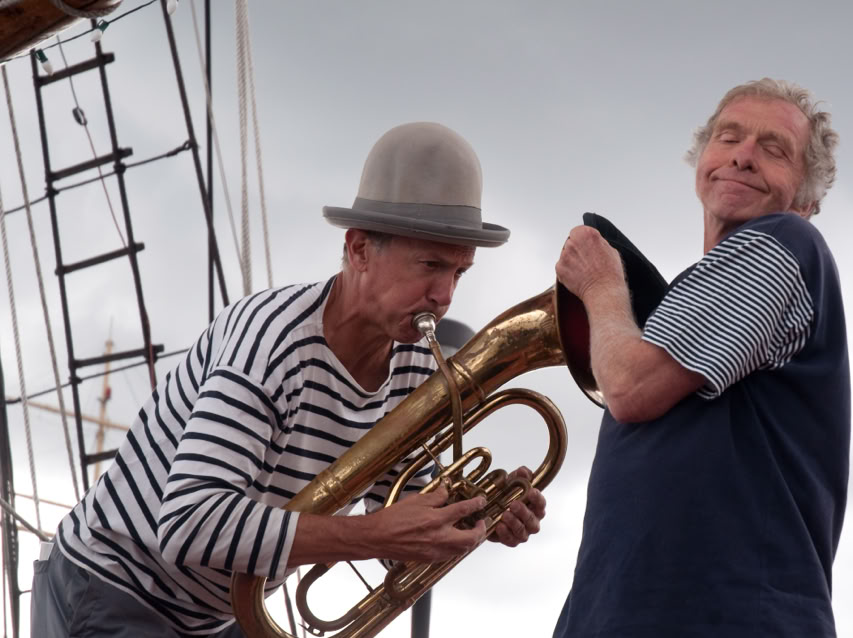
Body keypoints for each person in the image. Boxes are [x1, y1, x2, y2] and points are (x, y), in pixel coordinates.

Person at [31, 122, 547, 637]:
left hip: (220, 615)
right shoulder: (271, 342)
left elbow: (403, 535)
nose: (444, 294)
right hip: (114, 587)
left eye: (459, 272)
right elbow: (189, 523)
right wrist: (370, 535)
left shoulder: (415, 364)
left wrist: (478, 518)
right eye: (430, 265)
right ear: (360, 249)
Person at [553, 79, 849, 637]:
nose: (742, 154)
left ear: (806, 203)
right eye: (728, 137)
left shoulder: (787, 240)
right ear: (702, 161)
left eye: (774, 148)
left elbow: (629, 388)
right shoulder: (694, 303)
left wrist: (600, 286)